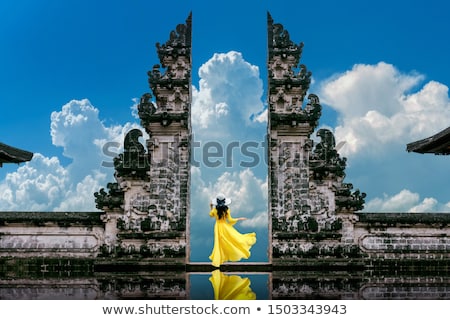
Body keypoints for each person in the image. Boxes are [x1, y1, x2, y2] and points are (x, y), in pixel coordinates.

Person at [209, 193, 256, 267]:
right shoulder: (227, 210)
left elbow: (211, 215)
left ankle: (220, 259)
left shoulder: (215, 210)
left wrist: (211, 206)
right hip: (224, 226)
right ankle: (223, 258)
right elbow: (230, 220)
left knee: (219, 243)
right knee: (231, 240)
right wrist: (239, 219)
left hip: (217, 227)